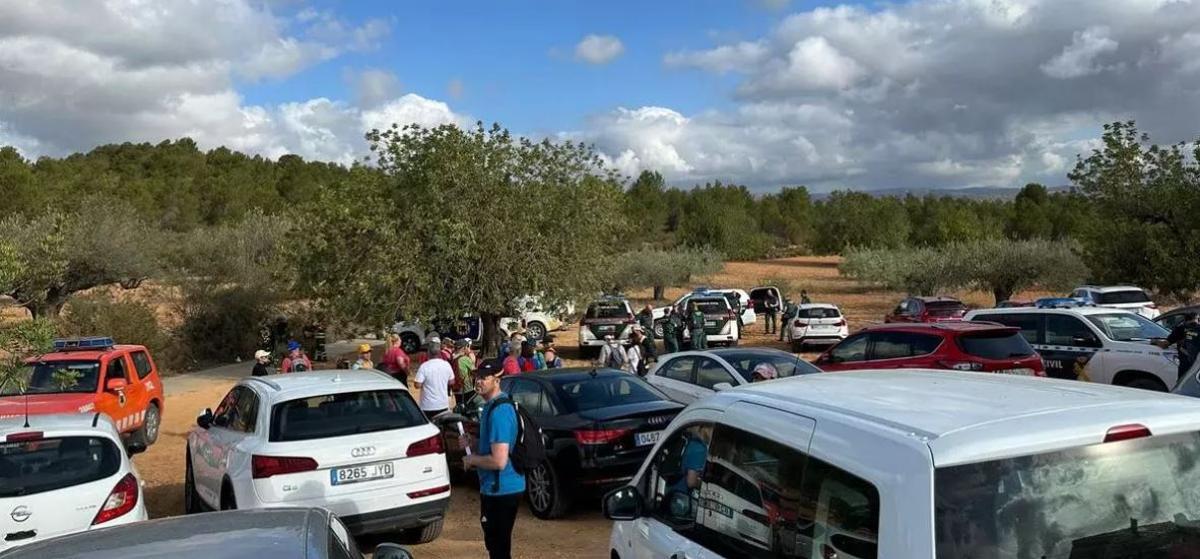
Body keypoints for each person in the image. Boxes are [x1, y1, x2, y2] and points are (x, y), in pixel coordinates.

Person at [462, 360, 525, 559]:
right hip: (494, 487)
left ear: (497, 380)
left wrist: (472, 460)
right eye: (476, 376)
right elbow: (491, 446)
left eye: (483, 377)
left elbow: (499, 461)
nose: (478, 381)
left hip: (502, 489)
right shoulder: (490, 406)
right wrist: (473, 443)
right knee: (495, 546)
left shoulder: (500, 412)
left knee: (498, 548)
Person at [668, 423, 712, 520]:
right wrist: (706, 485)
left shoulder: (690, 442)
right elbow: (691, 482)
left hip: (672, 492)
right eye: (712, 428)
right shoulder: (700, 449)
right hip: (682, 500)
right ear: (704, 428)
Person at [414, 341, 455, 420]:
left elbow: (417, 385)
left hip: (427, 405)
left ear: (428, 353)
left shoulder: (424, 366)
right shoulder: (446, 365)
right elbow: (452, 381)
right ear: (439, 353)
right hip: (443, 404)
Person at [1157, 313, 1200, 382]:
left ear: (1185, 320)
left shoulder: (1180, 328)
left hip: (1186, 366)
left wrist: (1154, 341)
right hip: (1197, 367)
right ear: (1197, 319)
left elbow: (1164, 344)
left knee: (1183, 386)